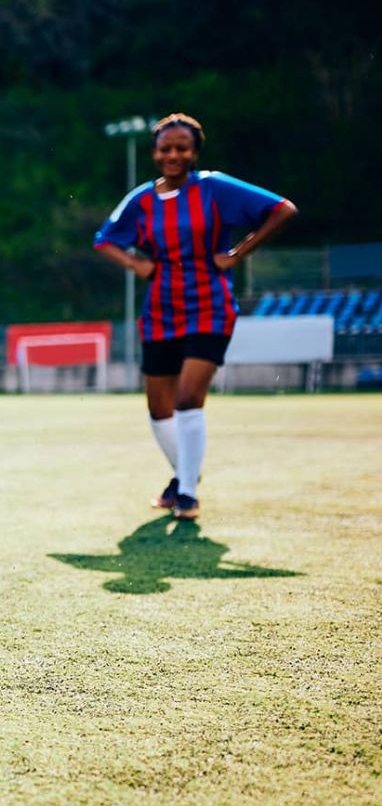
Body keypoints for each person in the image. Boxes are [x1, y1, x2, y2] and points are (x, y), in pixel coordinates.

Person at [95, 113, 296, 520]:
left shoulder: (214, 187)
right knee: (159, 410)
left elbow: (282, 210)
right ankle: (185, 474)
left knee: (188, 398)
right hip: (160, 310)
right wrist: (136, 264)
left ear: (195, 152)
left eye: (182, 148)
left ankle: (187, 494)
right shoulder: (142, 199)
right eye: (165, 148)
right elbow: (105, 240)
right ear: (154, 153)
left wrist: (238, 253)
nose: (173, 155)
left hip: (210, 306)